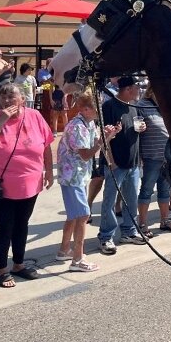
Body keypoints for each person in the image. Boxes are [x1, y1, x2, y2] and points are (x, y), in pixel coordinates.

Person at [0, 83, 54, 288]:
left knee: (22, 224)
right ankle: (2, 270)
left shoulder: (35, 116)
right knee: (4, 227)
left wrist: (49, 171)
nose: (7, 100)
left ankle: (18, 265)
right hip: (2, 185)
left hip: (30, 181)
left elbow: (46, 145)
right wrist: (1, 121)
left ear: (22, 99)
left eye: (12, 96)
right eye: (3, 97)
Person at [56, 92, 119, 272]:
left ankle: (63, 250)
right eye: (96, 107)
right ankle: (77, 259)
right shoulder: (77, 126)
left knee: (74, 214)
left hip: (78, 175)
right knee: (83, 215)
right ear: (85, 109)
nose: (99, 111)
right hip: (72, 176)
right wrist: (101, 142)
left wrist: (107, 137)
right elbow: (85, 155)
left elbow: (93, 147)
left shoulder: (88, 123)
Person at [97, 76, 147, 254]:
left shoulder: (133, 106)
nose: (139, 91)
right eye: (136, 87)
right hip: (116, 164)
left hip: (132, 163)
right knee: (109, 201)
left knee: (131, 200)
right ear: (127, 89)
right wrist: (111, 160)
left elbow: (133, 129)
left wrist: (140, 130)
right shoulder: (109, 106)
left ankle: (129, 231)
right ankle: (106, 236)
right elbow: (104, 136)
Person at [136, 87, 171, 237]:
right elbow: (137, 127)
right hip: (151, 156)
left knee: (165, 190)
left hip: (166, 156)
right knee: (147, 190)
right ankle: (142, 223)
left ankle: (165, 220)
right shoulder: (141, 105)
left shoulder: (165, 104)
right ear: (151, 91)